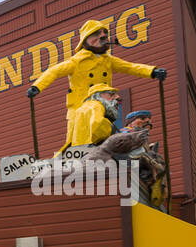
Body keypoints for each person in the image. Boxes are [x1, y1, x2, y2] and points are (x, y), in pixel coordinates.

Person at [27, 19, 166, 154]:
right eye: (96, 34)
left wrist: (152, 71)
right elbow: (54, 71)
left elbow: (130, 67)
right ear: (85, 40)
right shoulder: (77, 61)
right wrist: (37, 86)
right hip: (79, 108)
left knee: (104, 135)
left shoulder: (108, 60)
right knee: (76, 141)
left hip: (103, 105)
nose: (103, 36)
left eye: (104, 34)